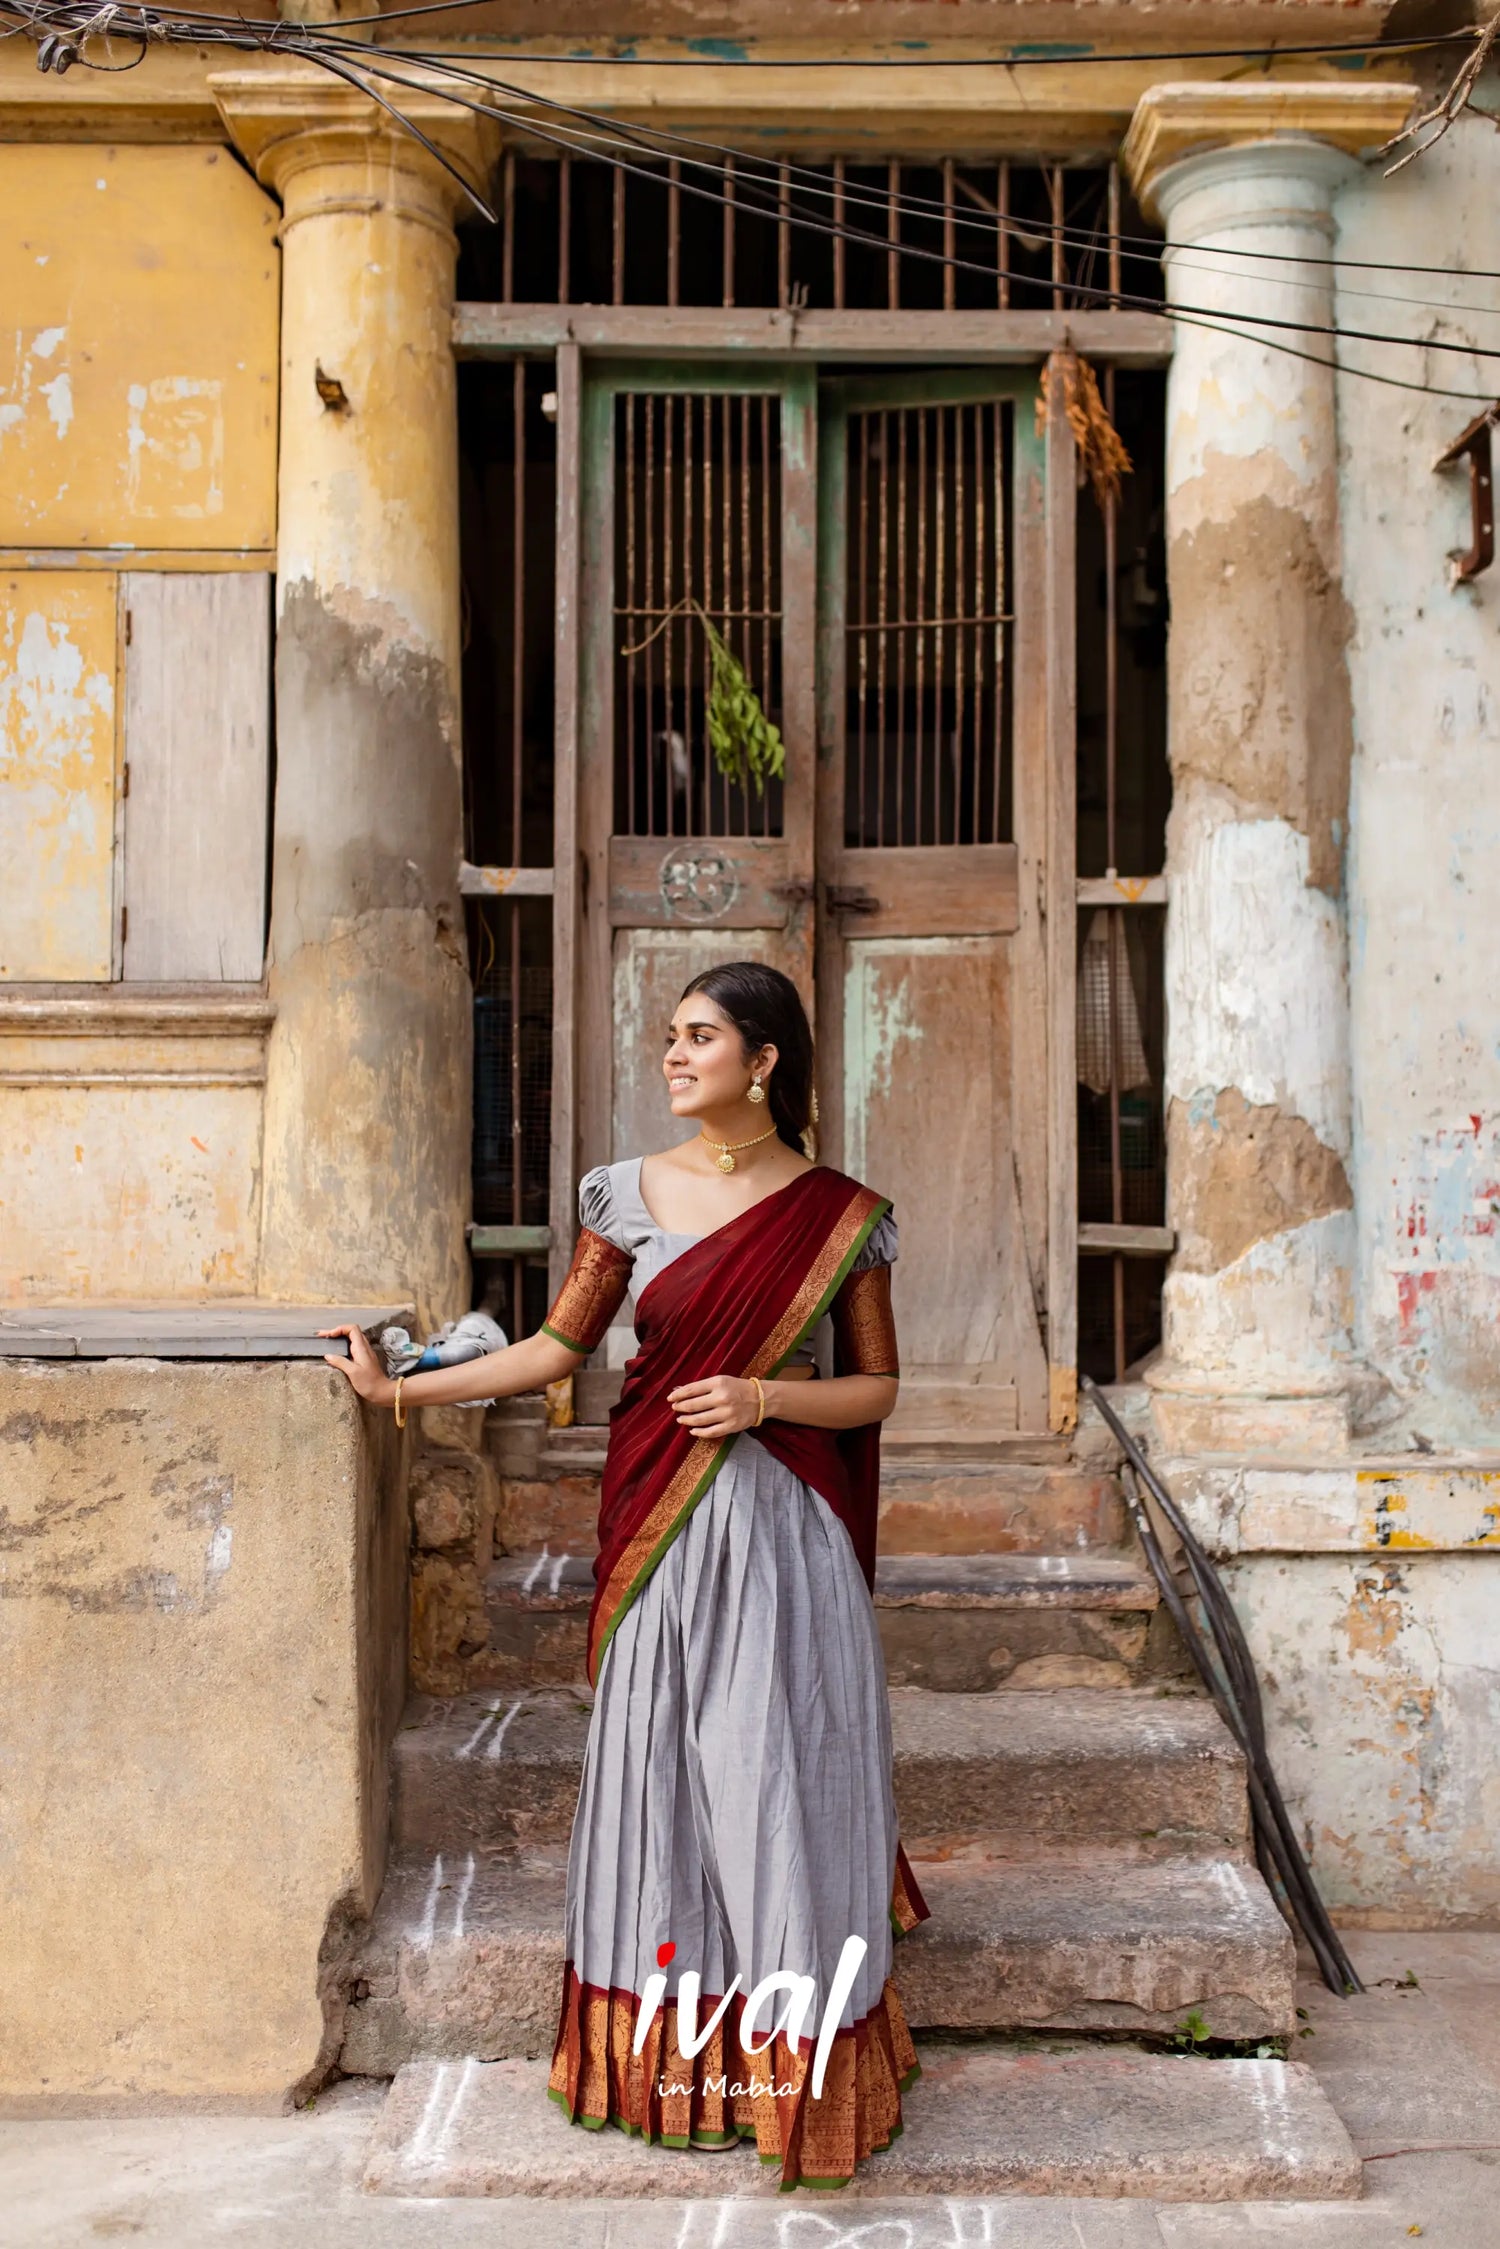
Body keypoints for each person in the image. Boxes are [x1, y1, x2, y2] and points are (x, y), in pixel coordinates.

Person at [323, 959, 926, 2189]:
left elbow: (876, 1388)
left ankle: (795, 2075)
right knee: (663, 1771)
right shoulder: (627, 1196)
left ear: (764, 1061)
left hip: (777, 1533)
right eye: (669, 1034)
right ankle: (675, 2064)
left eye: (700, 1036)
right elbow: (554, 1345)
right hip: (659, 1523)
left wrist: (765, 1396)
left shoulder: (840, 1214)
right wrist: (401, 1391)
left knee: (768, 1773)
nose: (672, 1054)